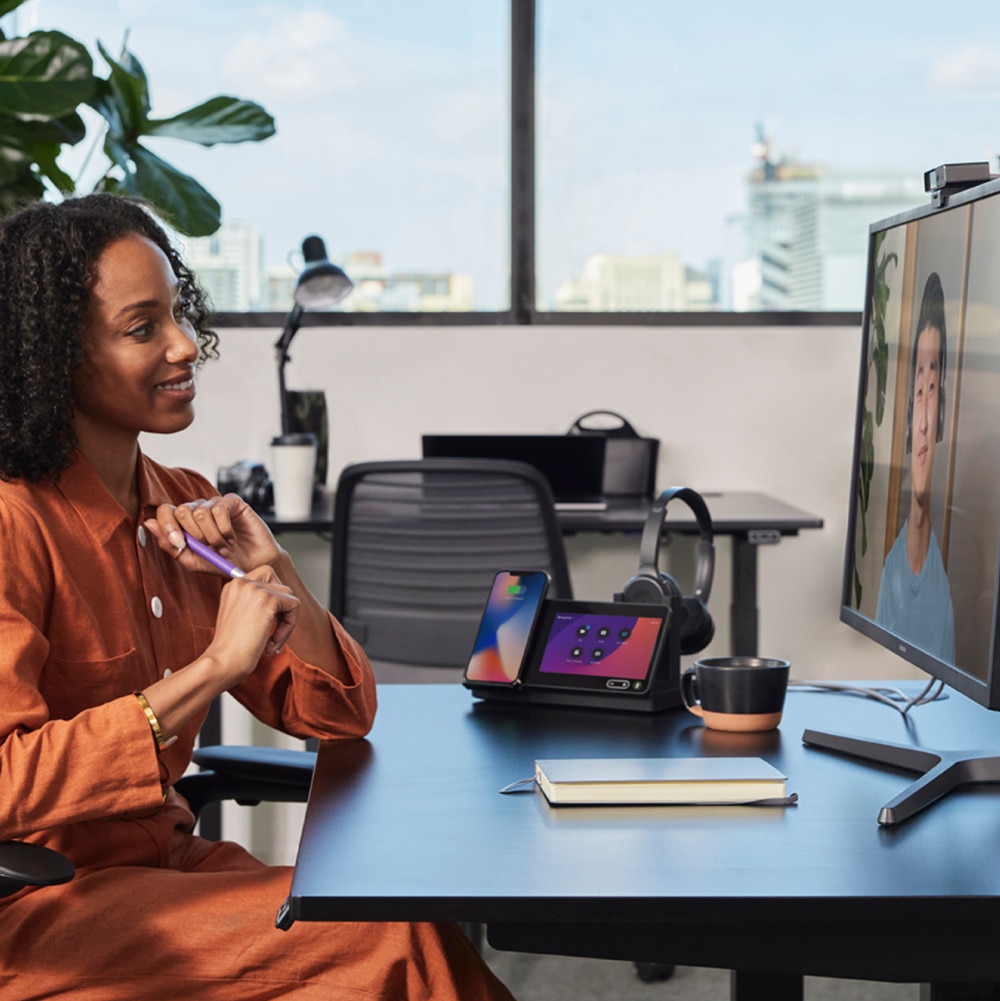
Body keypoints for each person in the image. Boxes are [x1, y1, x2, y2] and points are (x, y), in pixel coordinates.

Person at [0, 193, 514, 1000]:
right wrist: (212, 667)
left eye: (177, 314)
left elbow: (339, 714)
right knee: (389, 939)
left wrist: (276, 571)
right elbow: (6, 784)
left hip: (167, 865)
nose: (183, 345)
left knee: (399, 919)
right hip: (44, 903)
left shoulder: (184, 506)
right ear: (55, 355)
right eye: (143, 328)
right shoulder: (11, 523)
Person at [875, 271, 955, 662]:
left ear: (942, 415)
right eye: (918, 393)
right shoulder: (893, 570)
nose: (923, 422)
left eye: (933, 391)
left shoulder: (945, 598)